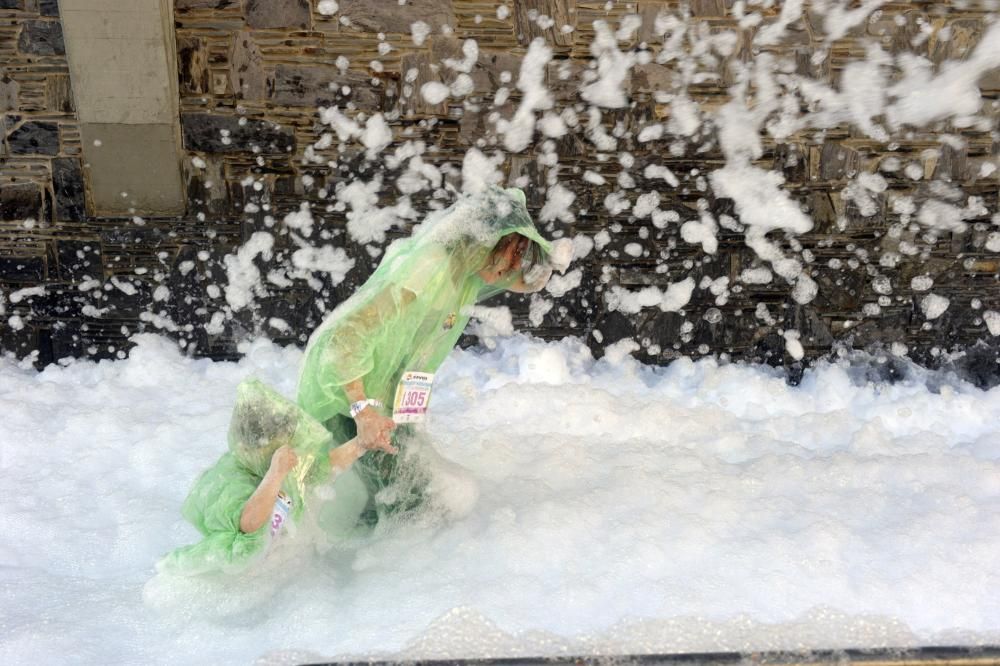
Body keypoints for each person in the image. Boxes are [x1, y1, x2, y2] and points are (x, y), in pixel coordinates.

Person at [158, 186, 566, 576]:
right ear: (499, 253)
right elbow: (348, 337)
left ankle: (371, 561)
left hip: (376, 389)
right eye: (509, 275)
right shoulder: (431, 267)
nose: (502, 285)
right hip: (344, 385)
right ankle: (371, 572)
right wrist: (363, 408)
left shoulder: (464, 273)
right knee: (385, 483)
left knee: (386, 480)